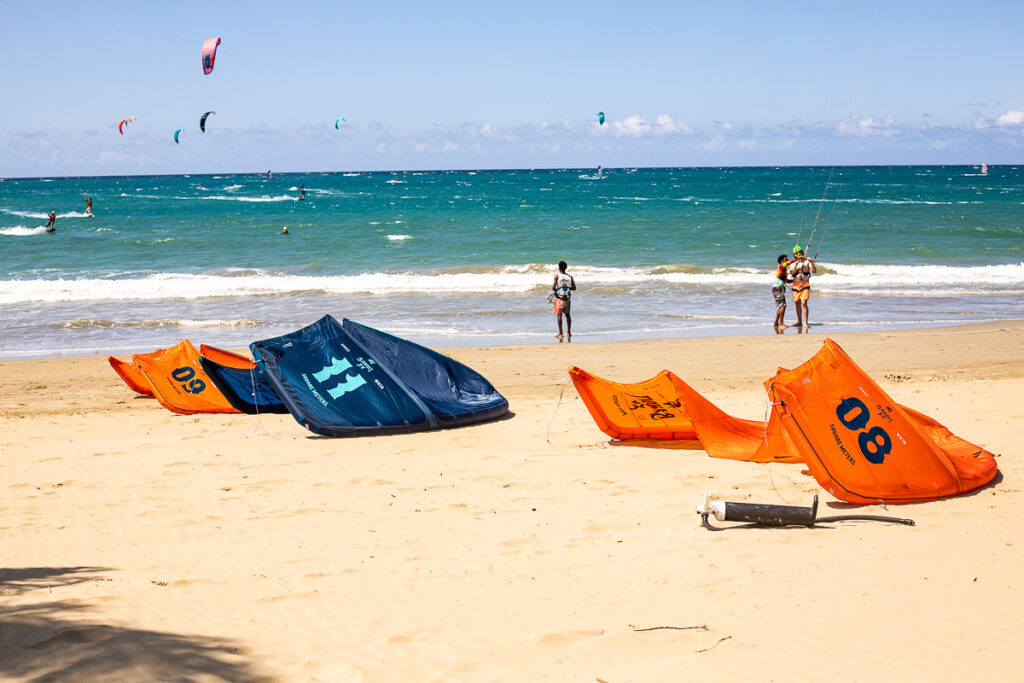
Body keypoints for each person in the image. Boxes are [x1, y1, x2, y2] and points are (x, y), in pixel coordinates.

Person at [786, 245, 817, 329]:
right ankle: (799, 321)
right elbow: (792, 272)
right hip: (796, 285)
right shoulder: (793, 263)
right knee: (797, 304)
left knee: (804, 303)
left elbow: (814, 271)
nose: (799, 254)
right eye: (797, 253)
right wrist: (796, 265)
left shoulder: (807, 262)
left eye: (800, 252)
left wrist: (811, 262)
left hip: (805, 285)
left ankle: (805, 322)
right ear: (794, 255)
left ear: (802, 253)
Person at [551, 260, 576, 342]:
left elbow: (553, 288)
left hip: (559, 299)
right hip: (567, 299)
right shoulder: (570, 277)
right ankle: (569, 332)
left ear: (559, 267)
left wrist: (556, 282)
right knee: (568, 315)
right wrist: (567, 288)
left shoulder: (557, 276)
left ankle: (561, 334)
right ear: (566, 268)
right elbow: (574, 288)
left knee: (559, 316)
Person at [772, 253, 791, 329]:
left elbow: (786, 280)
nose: (787, 260)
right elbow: (788, 263)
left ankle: (776, 323)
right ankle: (781, 324)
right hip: (778, 288)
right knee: (783, 306)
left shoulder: (782, 270)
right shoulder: (781, 266)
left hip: (776, 288)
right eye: (785, 259)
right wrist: (797, 259)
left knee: (781, 306)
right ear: (781, 261)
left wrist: (795, 280)